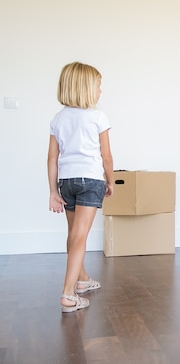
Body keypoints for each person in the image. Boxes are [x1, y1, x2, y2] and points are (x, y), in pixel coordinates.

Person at [48, 62, 114, 312]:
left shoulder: (58, 118)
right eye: (98, 86)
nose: (100, 91)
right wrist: (110, 180)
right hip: (90, 180)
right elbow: (106, 156)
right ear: (86, 88)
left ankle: (82, 279)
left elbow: (52, 158)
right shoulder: (98, 116)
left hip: (66, 182)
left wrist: (53, 191)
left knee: (74, 234)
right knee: (80, 236)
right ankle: (68, 294)